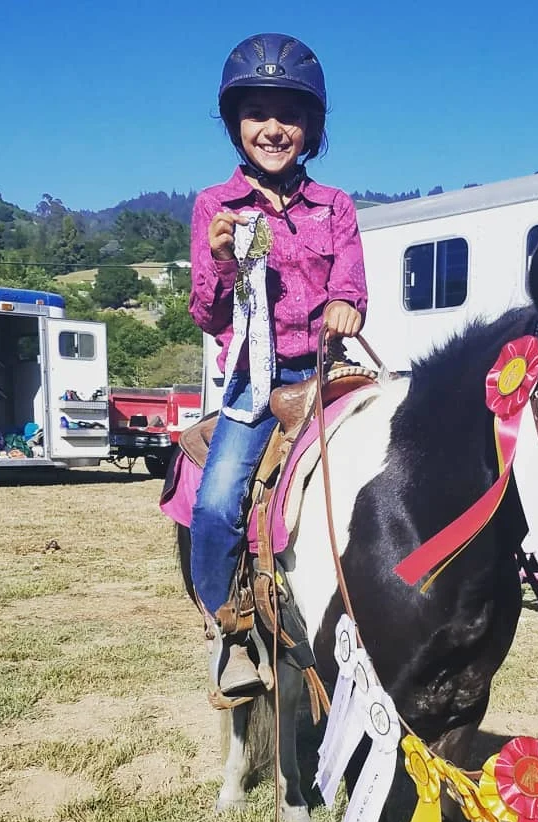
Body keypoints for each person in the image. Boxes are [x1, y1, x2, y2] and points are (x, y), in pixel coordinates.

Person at [189, 33, 368, 696]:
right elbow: (208, 315)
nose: (273, 128)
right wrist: (221, 260)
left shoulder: (337, 206)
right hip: (254, 385)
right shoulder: (216, 206)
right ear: (236, 124)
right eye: (257, 113)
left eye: (288, 114)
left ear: (311, 127)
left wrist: (348, 305)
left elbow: (352, 283)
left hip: (329, 374)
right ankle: (229, 632)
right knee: (215, 503)